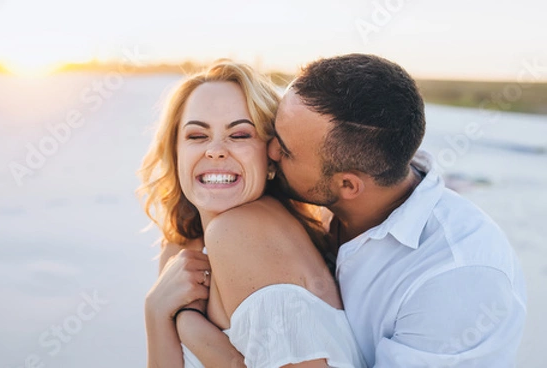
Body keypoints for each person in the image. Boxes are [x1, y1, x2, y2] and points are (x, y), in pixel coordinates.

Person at [267, 53, 527, 367]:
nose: (268, 150)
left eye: (285, 150)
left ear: (348, 186)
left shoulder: (458, 278)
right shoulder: (314, 204)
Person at [138, 60, 366, 367]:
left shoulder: (240, 232)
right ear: (175, 153)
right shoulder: (182, 249)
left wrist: (186, 323)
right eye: (197, 136)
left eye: (240, 135)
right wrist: (155, 312)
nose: (215, 150)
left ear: (271, 156)